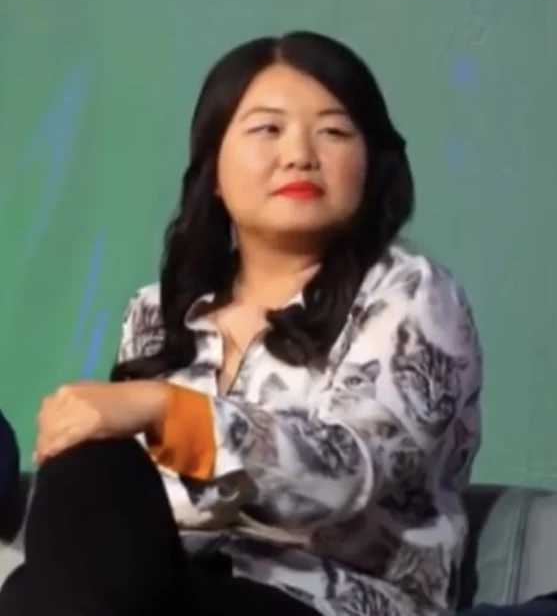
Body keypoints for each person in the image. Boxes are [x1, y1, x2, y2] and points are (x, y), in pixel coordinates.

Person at [0, 31, 483, 616]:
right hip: (169, 587)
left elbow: (349, 472)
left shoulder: (411, 293)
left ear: (371, 165)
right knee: (87, 468)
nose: (300, 155)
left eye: (333, 132)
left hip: (324, 600)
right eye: (267, 129)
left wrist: (166, 410)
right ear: (215, 170)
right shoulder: (158, 311)